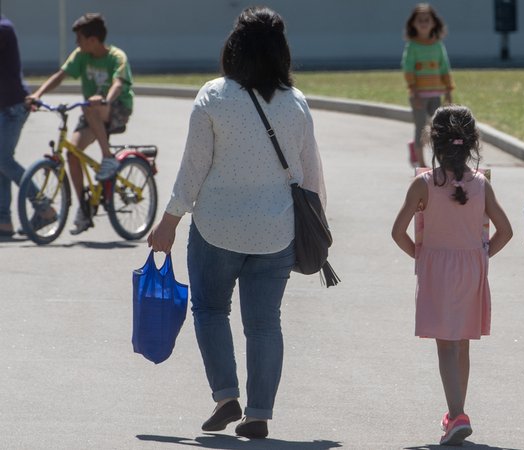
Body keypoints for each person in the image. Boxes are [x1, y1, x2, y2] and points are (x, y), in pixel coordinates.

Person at [147, 6, 326, 440]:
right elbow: (310, 173)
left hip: (216, 229)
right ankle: (259, 412)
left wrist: (168, 221)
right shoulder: (295, 103)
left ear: (234, 48)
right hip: (276, 232)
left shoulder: (213, 96)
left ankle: (226, 396)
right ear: (281, 52)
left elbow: (193, 168)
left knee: (210, 310)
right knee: (265, 324)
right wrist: (319, 226)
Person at [392, 105, 512, 446]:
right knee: (462, 344)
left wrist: (420, 254)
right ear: (472, 143)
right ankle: (456, 409)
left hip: (437, 268)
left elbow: (398, 232)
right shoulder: (481, 184)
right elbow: (504, 231)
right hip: (472, 267)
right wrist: (482, 254)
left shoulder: (423, 184)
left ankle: (457, 414)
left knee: (445, 345)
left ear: (434, 143)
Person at [26, 12, 134, 235]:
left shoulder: (116, 56)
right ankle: (85, 208)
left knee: (90, 106)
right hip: (93, 111)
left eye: (80, 39)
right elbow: (60, 75)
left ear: (92, 40)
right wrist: (37, 94)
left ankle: (108, 159)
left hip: (117, 108)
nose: (77, 43)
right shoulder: (81, 56)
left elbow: (118, 83)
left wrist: (105, 99)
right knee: (72, 153)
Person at [402, 3, 454, 168]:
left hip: (435, 94)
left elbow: (444, 67)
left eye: (427, 19)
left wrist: (448, 90)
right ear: (413, 24)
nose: (423, 23)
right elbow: (408, 68)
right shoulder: (412, 46)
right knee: (420, 128)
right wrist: (414, 91)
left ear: (433, 23)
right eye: (420, 20)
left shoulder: (438, 45)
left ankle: (441, 161)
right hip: (418, 96)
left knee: (438, 128)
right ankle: (422, 165)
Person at [0, 13, 31, 237]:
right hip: (4, 107)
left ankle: (44, 206)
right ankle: (4, 221)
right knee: (0, 162)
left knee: (2, 159)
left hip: (14, 107)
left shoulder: (4, 28)